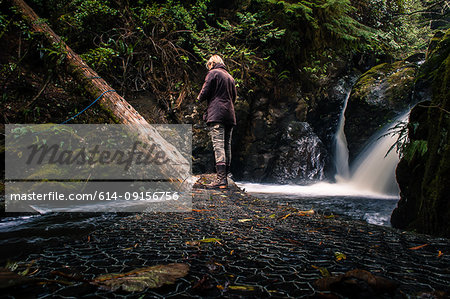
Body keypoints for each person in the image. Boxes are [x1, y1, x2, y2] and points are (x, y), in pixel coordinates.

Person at [197, 55, 237, 188]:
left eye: (209, 65)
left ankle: (220, 179)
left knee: (218, 145)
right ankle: (226, 176)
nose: (208, 68)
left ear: (212, 63)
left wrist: (199, 99)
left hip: (217, 114)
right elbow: (234, 97)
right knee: (227, 145)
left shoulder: (213, 73)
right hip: (230, 115)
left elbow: (205, 91)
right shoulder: (230, 77)